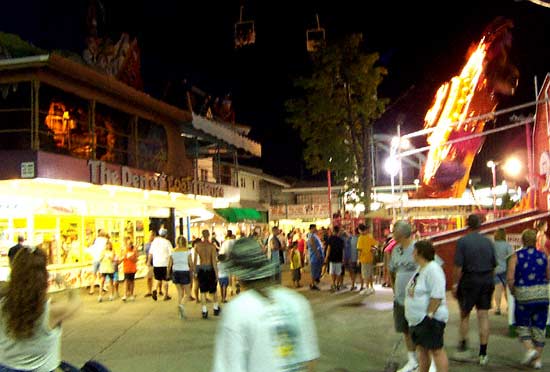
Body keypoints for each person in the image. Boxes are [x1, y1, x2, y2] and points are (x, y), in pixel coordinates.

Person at [212, 238, 320, 372]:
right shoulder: (297, 302)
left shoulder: (238, 310)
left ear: (238, 274)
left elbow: (230, 368)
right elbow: (310, 361)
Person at [0, 247, 81, 372]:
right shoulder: (51, 310)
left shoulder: (3, 305)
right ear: (44, 276)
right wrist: (66, 284)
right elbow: (76, 303)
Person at [452, 214, 496, 366]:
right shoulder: (489, 242)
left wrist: (455, 284)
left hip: (469, 280)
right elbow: (494, 264)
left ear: (467, 225)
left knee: (464, 315)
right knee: (483, 316)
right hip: (486, 279)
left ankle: (463, 347)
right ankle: (483, 354)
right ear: (480, 225)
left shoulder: (463, 242)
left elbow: (458, 266)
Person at [507, 229, 550, 369]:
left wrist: (514, 291)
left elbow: (510, 278)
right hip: (542, 294)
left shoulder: (515, 256)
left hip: (523, 294)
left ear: (522, 241)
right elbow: (548, 275)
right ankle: (537, 360)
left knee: (522, 324)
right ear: (535, 241)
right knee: (540, 326)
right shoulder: (544, 256)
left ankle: (530, 350)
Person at [405, 240, 449, 372]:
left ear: (420, 253)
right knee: (422, 351)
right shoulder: (421, 269)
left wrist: (429, 315)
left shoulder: (433, 269)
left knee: (436, 351)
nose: (412, 254)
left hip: (430, 320)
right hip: (417, 320)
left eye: (414, 251)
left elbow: (437, 295)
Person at [389, 220, 419, 372]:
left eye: (394, 230)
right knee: (405, 330)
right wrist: (394, 289)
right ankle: (412, 361)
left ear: (401, 233)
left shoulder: (418, 249)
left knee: (418, 330)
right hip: (400, 298)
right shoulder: (395, 250)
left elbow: (433, 267)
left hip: (416, 300)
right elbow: (392, 270)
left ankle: (426, 361)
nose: (392, 233)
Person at [194, 230, 220, 319]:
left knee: (202, 291)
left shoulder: (197, 246)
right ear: (208, 235)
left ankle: (204, 310)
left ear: (202, 235)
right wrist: (216, 274)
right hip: (210, 269)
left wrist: (195, 271)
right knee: (213, 290)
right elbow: (214, 261)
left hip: (201, 269)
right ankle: (216, 308)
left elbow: (195, 260)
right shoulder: (212, 247)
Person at [169, 236, 193, 319]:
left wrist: (168, 273)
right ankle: (182, 305)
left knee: (180, 292)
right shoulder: (187, 251)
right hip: (184, 271)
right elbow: (190, 262)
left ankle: (180, 313)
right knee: (188, 293)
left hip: (175, 271)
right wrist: (192, 270)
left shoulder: (173, 251)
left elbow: (170, 264)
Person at [148, 228, 173, 301]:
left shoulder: (154, 242)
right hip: (165, 263)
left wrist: (149, 261)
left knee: (157, 278)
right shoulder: (167, 242)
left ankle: (154, 289)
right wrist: (170, 264)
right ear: (165, 235)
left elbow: (150, 253)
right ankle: (165, 295)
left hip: (156, 263)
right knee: (165, 279)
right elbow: (171, 254)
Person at [492, 228, 513, 315]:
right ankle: (510, 306)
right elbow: (511, 257)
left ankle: (497, 308)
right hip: (505, 270)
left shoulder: (492, 245)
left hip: (495, 270)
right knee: (507, 289)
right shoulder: (507, 245)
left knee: (497, 289)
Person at [357, 224, 378, 295]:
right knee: (370, 273)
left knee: (365, 274)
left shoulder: (360, 238)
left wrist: (358, 259)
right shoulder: (369, 237)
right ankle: (371, 287)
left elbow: (359, 250)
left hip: (363, 258)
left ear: (360, 230)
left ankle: (367, 288)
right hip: (370, 258)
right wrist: (373, 250)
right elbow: (376, 245)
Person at [87, 229, 108, 295]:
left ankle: (92, 289)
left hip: (95, 259)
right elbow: (105, 249)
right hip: (101, 259)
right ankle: (102, 289)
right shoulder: (105, 240)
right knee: (101, 275)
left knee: (94, 275)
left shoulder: (96, 240)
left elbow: (91, 247)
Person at [325, 226, 344, 292]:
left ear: (333, 231)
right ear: (338, 231)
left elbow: (328, 249)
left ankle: (333, 284)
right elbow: (342, 250)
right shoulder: (341, 240)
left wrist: (326, 257)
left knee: (332, 272)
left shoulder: (330, 239)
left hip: (332, 258)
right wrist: (343, 259)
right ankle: (337, 284)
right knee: (338, 272)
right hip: (339, 258)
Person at [307, 224, 324, 291]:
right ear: (311, 228)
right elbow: (312, 244)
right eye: (314, 228)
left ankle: (314, 282)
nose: (316, 229)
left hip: (316, 256)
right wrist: (317, 253)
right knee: (314, 270)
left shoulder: (314, 235)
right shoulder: (311, 236)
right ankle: (312, 284)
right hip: (314, 256)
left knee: (316, 270)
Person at [143, 230, 156, 297]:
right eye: (149, 235)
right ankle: (149, 290)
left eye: (150, 235)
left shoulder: (156, 244)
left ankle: (158, 290)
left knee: (157, 277)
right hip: (149, 263)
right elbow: (146, 253)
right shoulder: (146, 244)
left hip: (156, 261)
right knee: (149, 277)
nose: (149, 237)